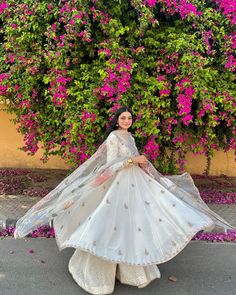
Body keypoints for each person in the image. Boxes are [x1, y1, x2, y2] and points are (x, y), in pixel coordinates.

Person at [14, 106, 236, 294]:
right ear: (116, 120)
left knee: (134, 225)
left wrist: (140, 162)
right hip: (118, 185)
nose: (127, 121)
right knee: (111, 227)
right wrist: (132, 160)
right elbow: (112, 164)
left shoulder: (130, 137)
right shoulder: (113, 137)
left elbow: (133, 158)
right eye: (123, 118)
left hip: (135, 184)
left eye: (129, 118)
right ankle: (98, 275)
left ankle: (132, 271)